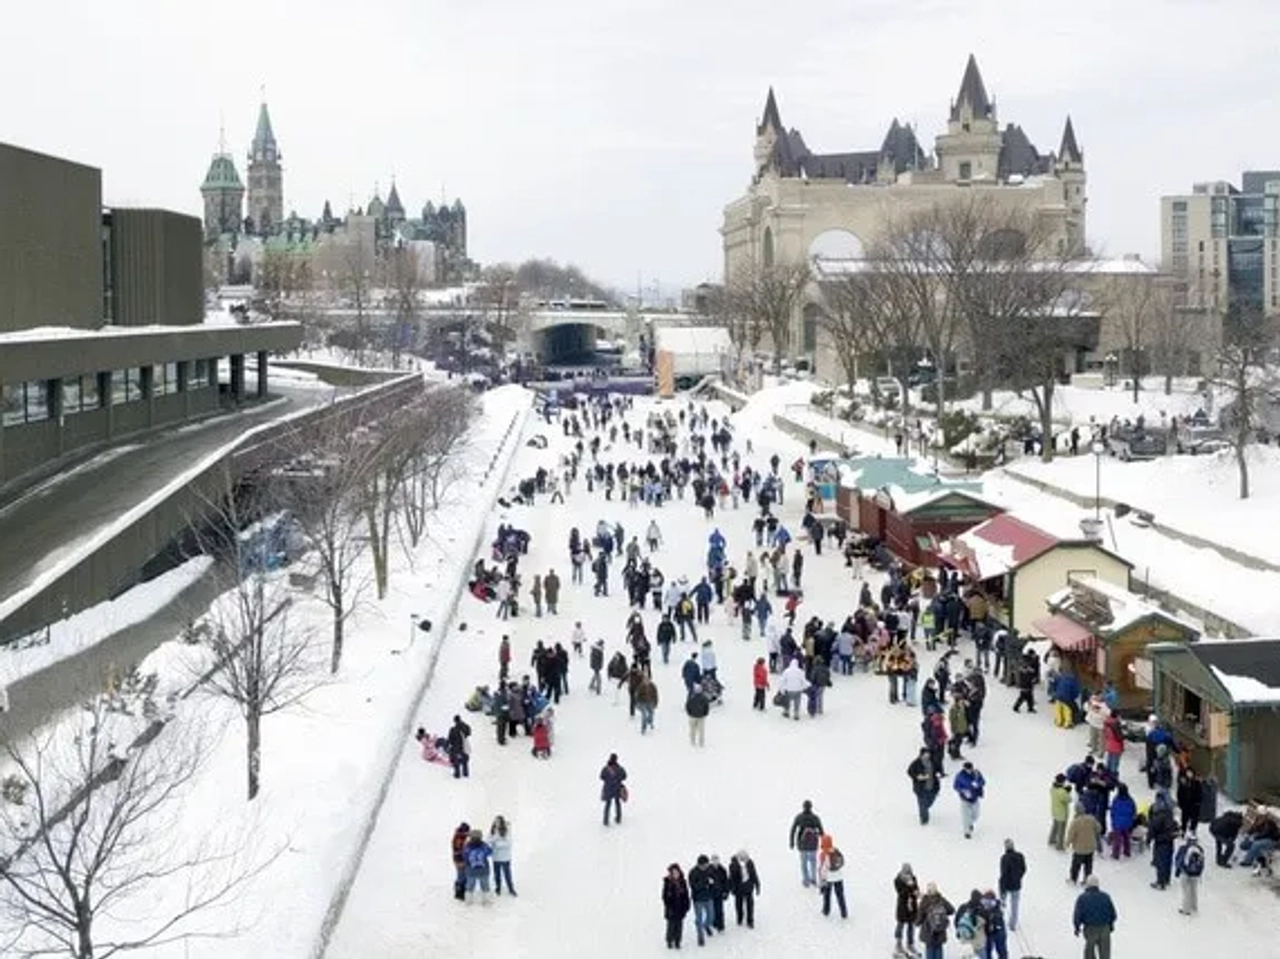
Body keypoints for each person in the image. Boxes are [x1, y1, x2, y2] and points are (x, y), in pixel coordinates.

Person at [1072, 875, 1117, 959]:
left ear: (1087, 885)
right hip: (1104, 928)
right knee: (1105, 954)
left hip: (1090, 929)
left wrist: (1077, 927)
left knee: (1089, 953)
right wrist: (1110, 925)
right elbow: (1113, 913)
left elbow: (1078, 914)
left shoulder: (1082, 898)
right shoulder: (1106, 896)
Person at [789, 800, 824, 887]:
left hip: (802, 844)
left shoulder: (799, 817)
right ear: (811, 807)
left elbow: (793, 830)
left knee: (803, 863)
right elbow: (822, 832)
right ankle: (813, 879)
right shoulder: (815, 818)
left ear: (803, 807)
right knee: (813, 862)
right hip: (813, 844)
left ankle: (806, 880)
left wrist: (792, 842)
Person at [1066, 802, 1102, 884]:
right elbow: (1099, 828)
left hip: (1079, 849)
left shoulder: (1075, 822)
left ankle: (1073, 879)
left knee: (1076, 865)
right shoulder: (1091, 819)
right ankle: (1087, 880)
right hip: (1090, 847)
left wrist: (1067, 843)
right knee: (1088, 866)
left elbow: (1070, 835)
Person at [917, 882, 954, 959]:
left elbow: (919, 916)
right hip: (940, 931)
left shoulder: (925, 901)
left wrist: (917, 922)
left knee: (930, 948)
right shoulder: (941, 899)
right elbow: (952, 910)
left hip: (928, 930)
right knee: (938, 948)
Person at [688, 854, 718, 946]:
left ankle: (706, 926)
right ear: (700, 864)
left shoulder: (709, 870)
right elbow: (694, 886)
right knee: (699, 919)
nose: (707, 866)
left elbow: (714, 880)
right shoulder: (692, 872)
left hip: (708, 897)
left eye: (707, 864)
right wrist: (705, 882)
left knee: (711, 916)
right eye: (705, 865)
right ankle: (700, 937)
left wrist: (713, 884)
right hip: (698, 900)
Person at [998, 839, 1026, 932]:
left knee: (1002, 904)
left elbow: (1003, 873)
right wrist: (1018, 877)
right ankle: (1012, 924)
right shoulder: (1020, 856)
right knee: (1015, 905)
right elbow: (1024, 869)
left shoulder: (1004, 858)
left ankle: (999, 921)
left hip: (1005, 884)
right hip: (1016, 884)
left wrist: (1002, 887)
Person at [908, 748, 941, 825]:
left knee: (930, 801)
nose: (927, 755)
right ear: (921, 754)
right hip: (921, 787)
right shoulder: (916, 763)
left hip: (932, 786)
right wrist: (917, 776)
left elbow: (938, 769)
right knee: (922, 804)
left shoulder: (933, 761)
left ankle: (925, 809)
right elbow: (910, 771)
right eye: (925, 754)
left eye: (928, 754)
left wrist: (939, 773)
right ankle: (924, 819)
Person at [893, 864, 920, 958]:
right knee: (900, 924)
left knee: (911, 926)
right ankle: (898, 943)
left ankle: (910, 943)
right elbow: (901, 893)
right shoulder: (897, 880)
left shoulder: (913, 878)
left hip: (912, 907)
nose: (909, 873)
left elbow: (916, 889)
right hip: (902, 907)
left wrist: (915, 891)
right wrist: (909, 887)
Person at [1174, 832, 1205, 915]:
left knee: (1186, 891)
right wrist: (1199, 873)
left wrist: (1177, 872)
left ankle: (1185, 909)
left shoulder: (1183, 848)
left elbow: (1178, 860)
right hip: (1196, 874)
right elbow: (1202, 863)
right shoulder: (1200, 849)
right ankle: (1194, 907)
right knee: (1194, 890)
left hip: (1185, 872)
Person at [728, 850, 760, 929]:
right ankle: (740, 918)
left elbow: (754, 874)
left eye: (745, 858)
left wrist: (757, 885)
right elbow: (731, 877)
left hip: (748, 887)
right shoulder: (733, 864)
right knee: (738, 904)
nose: (744, 860)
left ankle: (750, 921)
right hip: (738, 888)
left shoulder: (750, 863)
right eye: (742, 858)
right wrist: (731, 888)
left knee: (750, 905)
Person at [818, 834, 848, 919]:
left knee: (827, 896)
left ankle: (826, 911)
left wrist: (822, 881)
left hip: (829, 879)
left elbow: (823, 869)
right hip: (839, 877)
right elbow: (842, 862)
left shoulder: (824, 854)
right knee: (840, 896)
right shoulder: (836, 851)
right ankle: (844, 913)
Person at [953, 761, 985, 838]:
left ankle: (970, 823)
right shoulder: (959, 776)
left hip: (975, 798)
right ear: (964, 769)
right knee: (965, 816)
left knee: (976, 815)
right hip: (965, 799)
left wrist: (978, 784)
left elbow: (983, 781)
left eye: (970, 769)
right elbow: (955, 786)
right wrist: (963, 790)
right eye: (967, 769)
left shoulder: (977, 773)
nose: (969, 770)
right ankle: (967, 832)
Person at [662, 863, 691, 949]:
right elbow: (664, 896)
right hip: (671, 909)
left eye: (677, 872)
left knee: (679, 926)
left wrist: (687, 905)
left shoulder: (683, 882)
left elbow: (686, 894)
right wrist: (668, 903)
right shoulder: (667, 883)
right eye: (673, 873)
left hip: (680, 908)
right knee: (671, 926)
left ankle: (678, 941)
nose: (676, 874)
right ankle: (669, 940)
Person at [462, 829, 494, 904]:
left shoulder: (467, 846)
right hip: (484, 870)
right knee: (485, 886)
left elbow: (465, 857)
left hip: (471, 871)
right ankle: (486, 900)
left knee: (470, 886)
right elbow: (490, 852)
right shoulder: (484, 845)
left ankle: (468, 901)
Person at [489, 816, 516, 896]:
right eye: (495, 821)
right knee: (497, 875)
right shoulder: (492, 830)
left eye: (498, 821)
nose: (496, 823)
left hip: (505, 858)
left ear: (502, 822)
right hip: (496, 858)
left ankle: (511, 888)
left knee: (507, 874)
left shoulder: (507, 830)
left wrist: (496, 843)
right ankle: (498, 888)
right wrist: (496, 839)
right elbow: (488, 839)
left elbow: (508, 843)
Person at [600, 753, 627, 826]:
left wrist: (608, 779)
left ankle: (606, 820)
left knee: (608, 804)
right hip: (617, 788)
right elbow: (624, 776)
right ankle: (618, 818)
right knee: (617, 803)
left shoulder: (606, 768)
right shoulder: (620, 768)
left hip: (608, 788)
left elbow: (601, 777)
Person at [1049, 773, 1072, 850]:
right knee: (1061, 831)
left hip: (1055, 811)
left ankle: (1051, 839)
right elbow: (1069, 800)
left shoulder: (1053, 788)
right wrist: (1067, 792)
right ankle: (1060, 845)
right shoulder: (1062, 792)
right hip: (1062, 813)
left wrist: (1064, 790)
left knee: (1055, 827)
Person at [446, 715, 471, 779]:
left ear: (454, 721)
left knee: (456, 760)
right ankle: (466, 773)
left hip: (456, 747)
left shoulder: (453, 729)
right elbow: (469, 733)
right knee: (465, 759)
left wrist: (448, 746)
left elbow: (450, 739)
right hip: (464, 746)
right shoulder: (466, 726)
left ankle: (457, 774)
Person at [451, 821, 471, 901]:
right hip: (459, 860)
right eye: (467, 831)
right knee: (461, 876)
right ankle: (459, 893)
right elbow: (459, 850)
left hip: (461, 859)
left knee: (463, 875)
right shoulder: (459, 838)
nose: (468, 833)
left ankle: (462, 891)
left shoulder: (461, 836)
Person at [685, 682, 710, 746]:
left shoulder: (691, 697)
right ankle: (701, 743)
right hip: (701, 717)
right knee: (701, 731)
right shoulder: (704, 698)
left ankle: (692, 742)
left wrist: (689, 713)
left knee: (692, 730)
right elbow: (706, 707)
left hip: (692, 717)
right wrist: (705, 714)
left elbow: (687, 706)